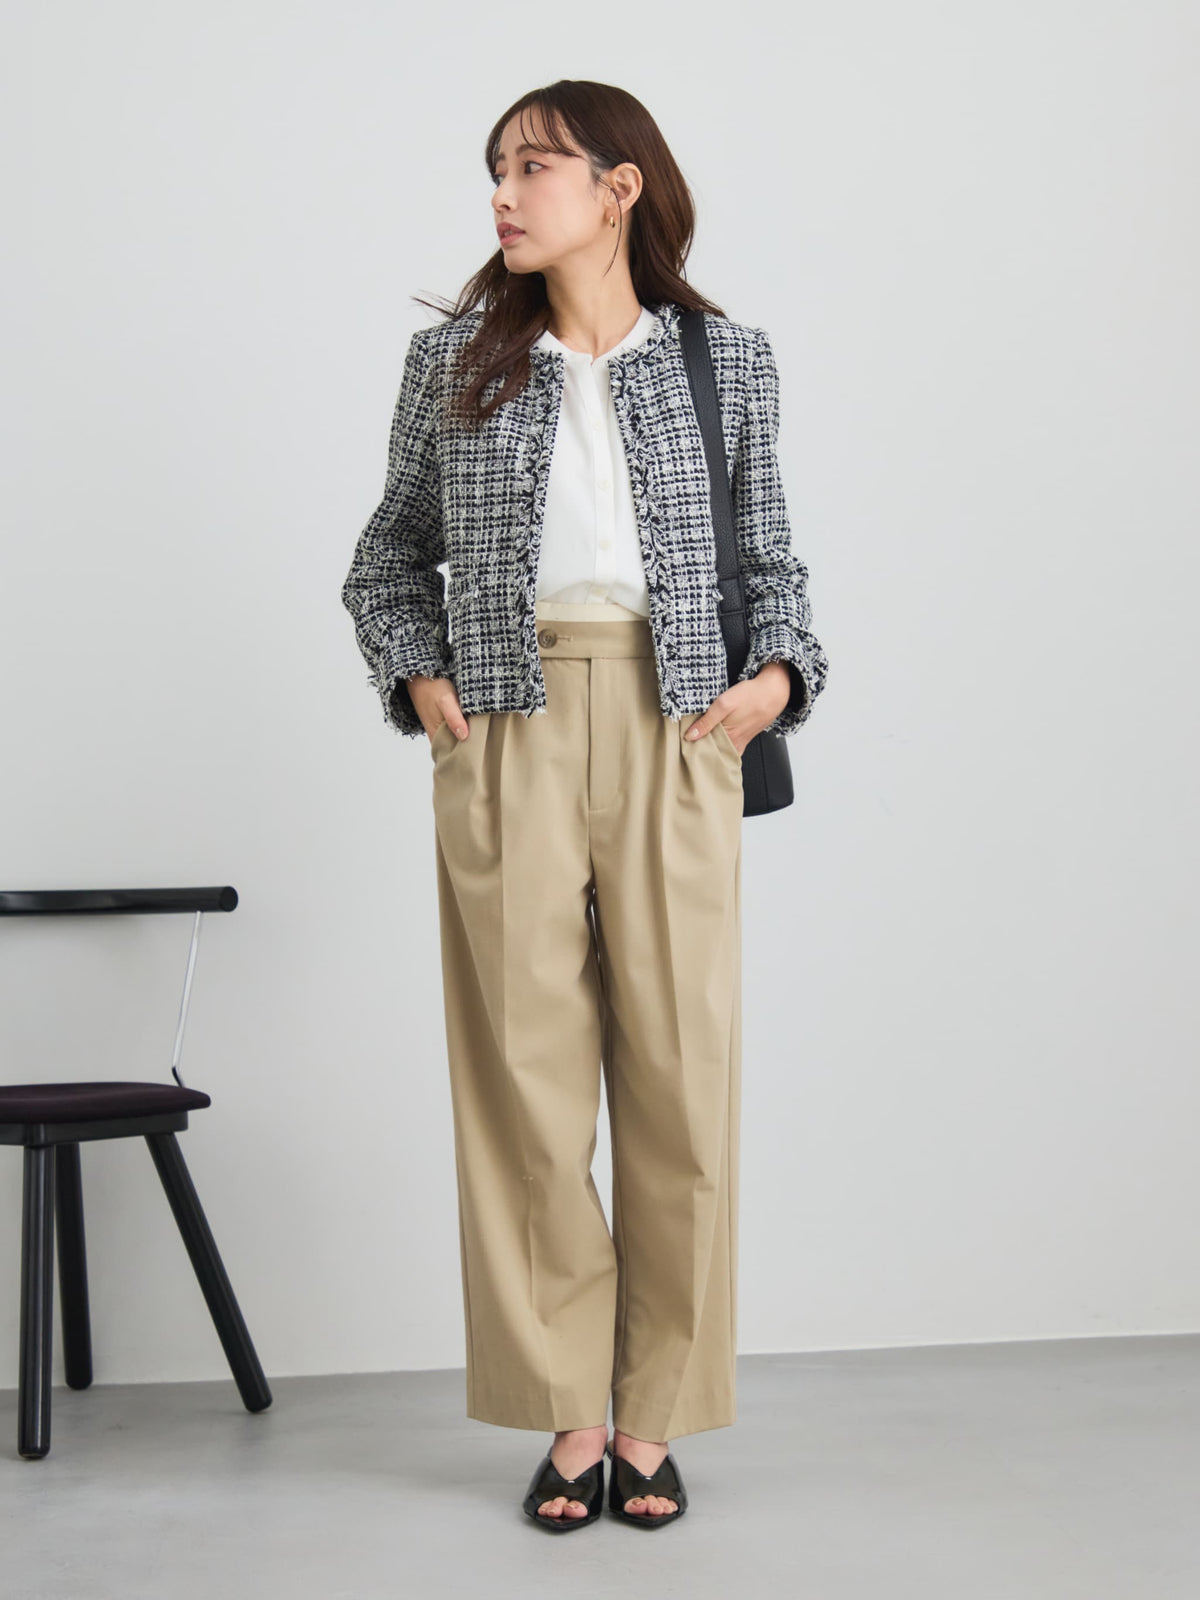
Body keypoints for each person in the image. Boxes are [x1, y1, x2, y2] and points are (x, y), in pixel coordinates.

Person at [341, 79, 829, 1532]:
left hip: (681, 723)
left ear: (620, 188)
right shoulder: (454, 363)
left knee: (682, 1079)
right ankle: (571, 1414)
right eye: (495, 168)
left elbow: (776, 562)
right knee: (526, 1086)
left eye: (535, 165)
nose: (503, 192)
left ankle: (656, 1413)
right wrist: (425, 682)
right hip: (510, 720)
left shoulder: (726, 361)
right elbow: (386, 558)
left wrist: (777, 679)